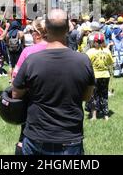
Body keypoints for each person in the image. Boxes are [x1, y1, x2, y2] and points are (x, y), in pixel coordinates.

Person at [13, 9, 95, 155]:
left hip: (36, 136)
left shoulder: (32, 60)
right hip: (70, 137)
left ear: (47, 29)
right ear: (67, 29)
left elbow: (16, 94)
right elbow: (86, 96)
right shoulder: (83, 61)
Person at [11, 19, 48, 154]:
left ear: (38, 34)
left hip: (32, 102)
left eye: (32, 31)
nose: (31, 34)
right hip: (56, 103)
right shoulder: (59, 49)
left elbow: (16, 77)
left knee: (25, 136)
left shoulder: (28, 51)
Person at [86, 33, 113, 120]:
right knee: (104, 95)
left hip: (94, 76)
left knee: (93, 95)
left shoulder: (90, 52)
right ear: (103, 42)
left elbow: (86, 64)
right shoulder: (107, 51)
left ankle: (94, 116)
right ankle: (106, 115)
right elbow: (110, 63)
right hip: (105, 75)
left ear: (94, 42)